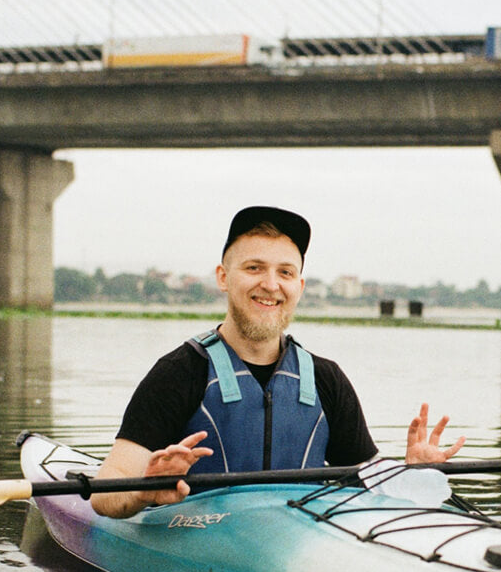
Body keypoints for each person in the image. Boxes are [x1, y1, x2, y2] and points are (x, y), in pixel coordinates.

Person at [91, 205, 464, 518]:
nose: (271, 284)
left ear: (299, 286)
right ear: (223, 278)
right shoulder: (180, 373)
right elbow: (105, 493)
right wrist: (146, 490)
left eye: (285, 272)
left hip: (297, 539)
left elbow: (370, 483)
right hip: (198, 535)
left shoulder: (325, 379)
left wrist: (411, 476)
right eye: (254, 268)